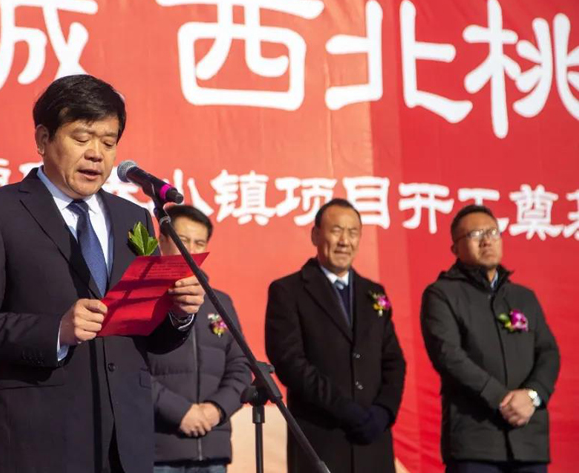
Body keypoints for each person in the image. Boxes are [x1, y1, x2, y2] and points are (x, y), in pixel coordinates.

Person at [0, 74, 205, 473]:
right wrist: (56, 331)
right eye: (82, 138)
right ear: (43, 139)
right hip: (39, 441)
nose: (96, 154)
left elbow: (146, 337)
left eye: (109, 142)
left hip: (125, 443)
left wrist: (178, 313)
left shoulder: (132, 217)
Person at [265, 198, 406, 473]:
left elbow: (394, 361)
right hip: (321, 440)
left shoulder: (373, 292)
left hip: (373, 440)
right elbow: (290, 363)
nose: (344, 241)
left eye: (353, 232)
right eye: (336, 230)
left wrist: (384, 411)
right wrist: (345, 409)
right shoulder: (288, 290)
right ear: (315, 235)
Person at [420, 205, 560, 473]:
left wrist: (532, 396)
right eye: (474, 234)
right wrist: (502, 399)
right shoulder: (441, 294)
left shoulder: (524, 297)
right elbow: (448, 356)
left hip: (528, 439)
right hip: (475, 441)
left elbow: (548, 352)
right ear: (455, 249)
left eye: (492, 232)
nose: (486, 240)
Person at [148, 205, 251, 473]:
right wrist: (179, 411)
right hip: (158, 449)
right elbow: (129, 369)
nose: (191, 250)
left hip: (213, 450)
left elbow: (241, 367)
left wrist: (215, 410)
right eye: (183, 240)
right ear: (162, 241)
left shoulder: (220, 302)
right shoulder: (143, 298)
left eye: (199, 243)